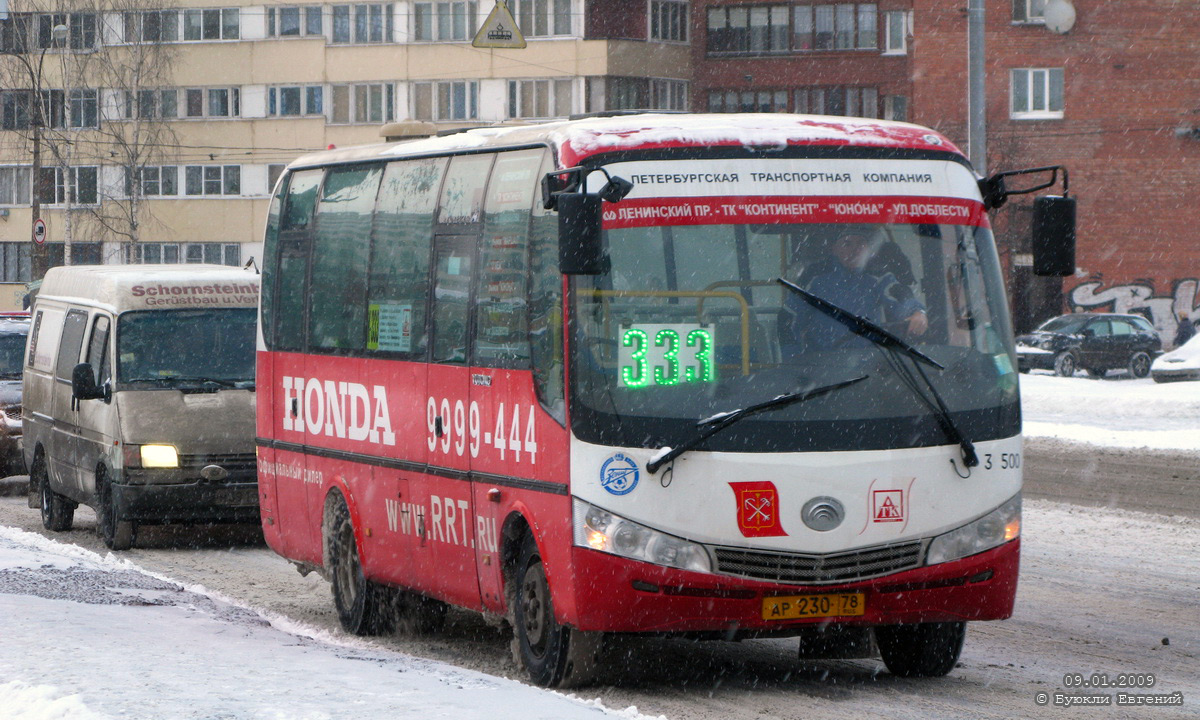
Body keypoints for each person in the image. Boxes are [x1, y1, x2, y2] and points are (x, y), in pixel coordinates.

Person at [781, 226, 927, 356]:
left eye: (861, 244)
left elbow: (897, 294)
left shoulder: (878, 276)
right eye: (847, 244)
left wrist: (916, 312)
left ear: (868, 249)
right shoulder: (814, 278)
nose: (855, 250)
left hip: (868, 363)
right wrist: (793, 359)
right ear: (834, 248)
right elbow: (790, 318)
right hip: (822, 364)